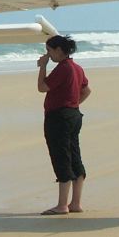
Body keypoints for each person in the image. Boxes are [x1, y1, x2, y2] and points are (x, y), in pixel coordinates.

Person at [37, 34, 91, 215]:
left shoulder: (63, 68)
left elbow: (42, 87)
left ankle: (62, 205)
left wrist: (43, 67)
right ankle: (75, 203)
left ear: (59, 50)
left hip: (59, 117)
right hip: (73, 115)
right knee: (74, 155)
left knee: (61, 157)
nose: (49, 55)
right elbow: (86, 90)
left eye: (49, 51)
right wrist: (73, 104)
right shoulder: (76, 68)